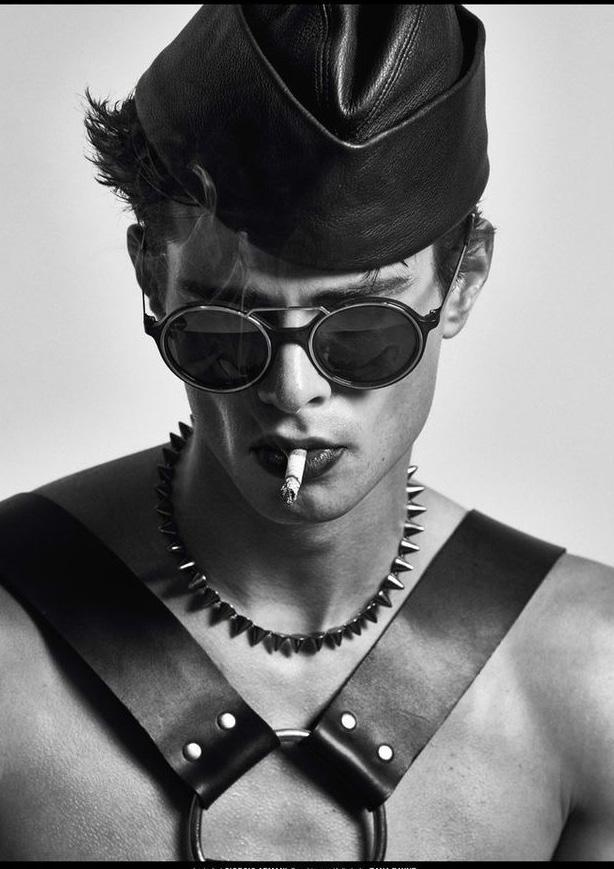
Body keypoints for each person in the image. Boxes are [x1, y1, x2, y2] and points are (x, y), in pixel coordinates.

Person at [1, 3, 613, 862]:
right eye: (224, 330)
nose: (293, 392)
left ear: (465, 281)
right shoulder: (12, 649)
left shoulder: (588, 677)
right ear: (151, 279)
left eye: (362, 331)